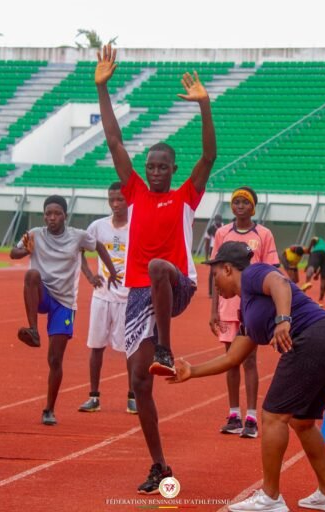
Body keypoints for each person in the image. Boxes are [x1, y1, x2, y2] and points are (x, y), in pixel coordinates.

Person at [96, 43, 216, 494]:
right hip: (139, 294)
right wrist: (103, 89)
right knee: (138, 383)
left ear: (173, 169)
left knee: (160, 266)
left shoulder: (186, 196)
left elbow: (209, 157)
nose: (155, 171)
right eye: (151, 166)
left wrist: (204, 106)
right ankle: (160, 465)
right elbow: (114, 141)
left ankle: (165, 348)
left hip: (176, 283)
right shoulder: (135, 194)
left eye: (163, 166)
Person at [170, 241, 325, 512]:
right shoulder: (247, 310)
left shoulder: (253, 274)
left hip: (316, 338)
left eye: (215, 275)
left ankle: (270, 497)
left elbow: (280, 283)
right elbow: (232, 358)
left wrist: (283, 320)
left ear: (228, 269)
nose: (215, 283)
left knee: (272, 416)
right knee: (302, 421)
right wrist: (192, 371)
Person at [10, 195, 118, 426]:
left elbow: (98, 246)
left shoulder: (77, 236)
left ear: (65, 216)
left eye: (57, 213)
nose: (52, 218)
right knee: (31, 275)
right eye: (48, 214)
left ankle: (49, 409)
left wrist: (112, 271)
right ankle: (33, 330)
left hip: (64, 303)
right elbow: (13, 253)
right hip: (43, 294)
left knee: (55, 359)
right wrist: (25, 250)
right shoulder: (35, 234)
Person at [209, 187, 279, 439]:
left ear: (253, 207)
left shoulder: (263, 234)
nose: (240, 206)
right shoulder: (222, 233)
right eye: (236, 202)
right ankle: (233, 414)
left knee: (249, 359)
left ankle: (251, 417)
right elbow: (216, 273)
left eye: (245, 202)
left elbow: (272, 272)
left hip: (252, 306)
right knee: (230, 360)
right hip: (227, 306)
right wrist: (213, 310)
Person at [77, 182, 137, 414]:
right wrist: (90, 275)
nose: (115, 204)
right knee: (96, 346)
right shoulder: (98, 226)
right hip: (101, 296)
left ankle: (132, 397)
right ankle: (93, 397)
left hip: (128, 297)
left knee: (130, 349)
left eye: (120, 199)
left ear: (129, 200)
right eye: (111, 199)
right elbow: (79, 250)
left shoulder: (137, 226)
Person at [303, 236, 325, 305]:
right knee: (323, 279)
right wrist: (317, 274)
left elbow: (313, 239)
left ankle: (307, 282)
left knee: (311, 267)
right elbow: (322, 266)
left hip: (317, 252)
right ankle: (321, 299)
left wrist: (309, 249)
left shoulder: (319, 240)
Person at [205, 214, 223, 297]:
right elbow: (207, 242)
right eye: (216, 222)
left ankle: (222, 290)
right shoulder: (211, 228)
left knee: (223, 271)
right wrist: (206, 257)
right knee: (212, 272)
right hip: (213, 250)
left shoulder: (224, 227)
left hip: (222, 250)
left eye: (219, 222)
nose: (218, 224)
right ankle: (210, 292)